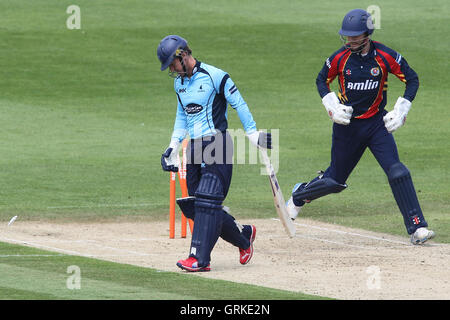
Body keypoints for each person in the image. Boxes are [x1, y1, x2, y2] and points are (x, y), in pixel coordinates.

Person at [286, 9, 435, 245]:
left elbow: (412, 78)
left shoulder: (385, 56)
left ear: (367, 35)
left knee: (397, 171)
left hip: (377, 124)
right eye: (347, 36)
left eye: (355, 37)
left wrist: (401, 111)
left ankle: (417, 227)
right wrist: (332, 106)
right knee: (334, 182)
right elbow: (321, 80)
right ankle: (299, 195)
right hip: (348, 127)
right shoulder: (339, 58)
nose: (350, 41)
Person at [157, 35, 272, 271]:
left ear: (183, 55)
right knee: (197, 207)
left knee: (207, 202)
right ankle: (244, 237)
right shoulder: (179, 83)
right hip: (194, 148)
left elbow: (238, 103)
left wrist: (252, 134)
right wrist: (173, 145)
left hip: (217, 143)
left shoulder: (215, 76)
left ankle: (199, 259)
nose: (171, 68)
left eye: (172, 62)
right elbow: (182, 116)